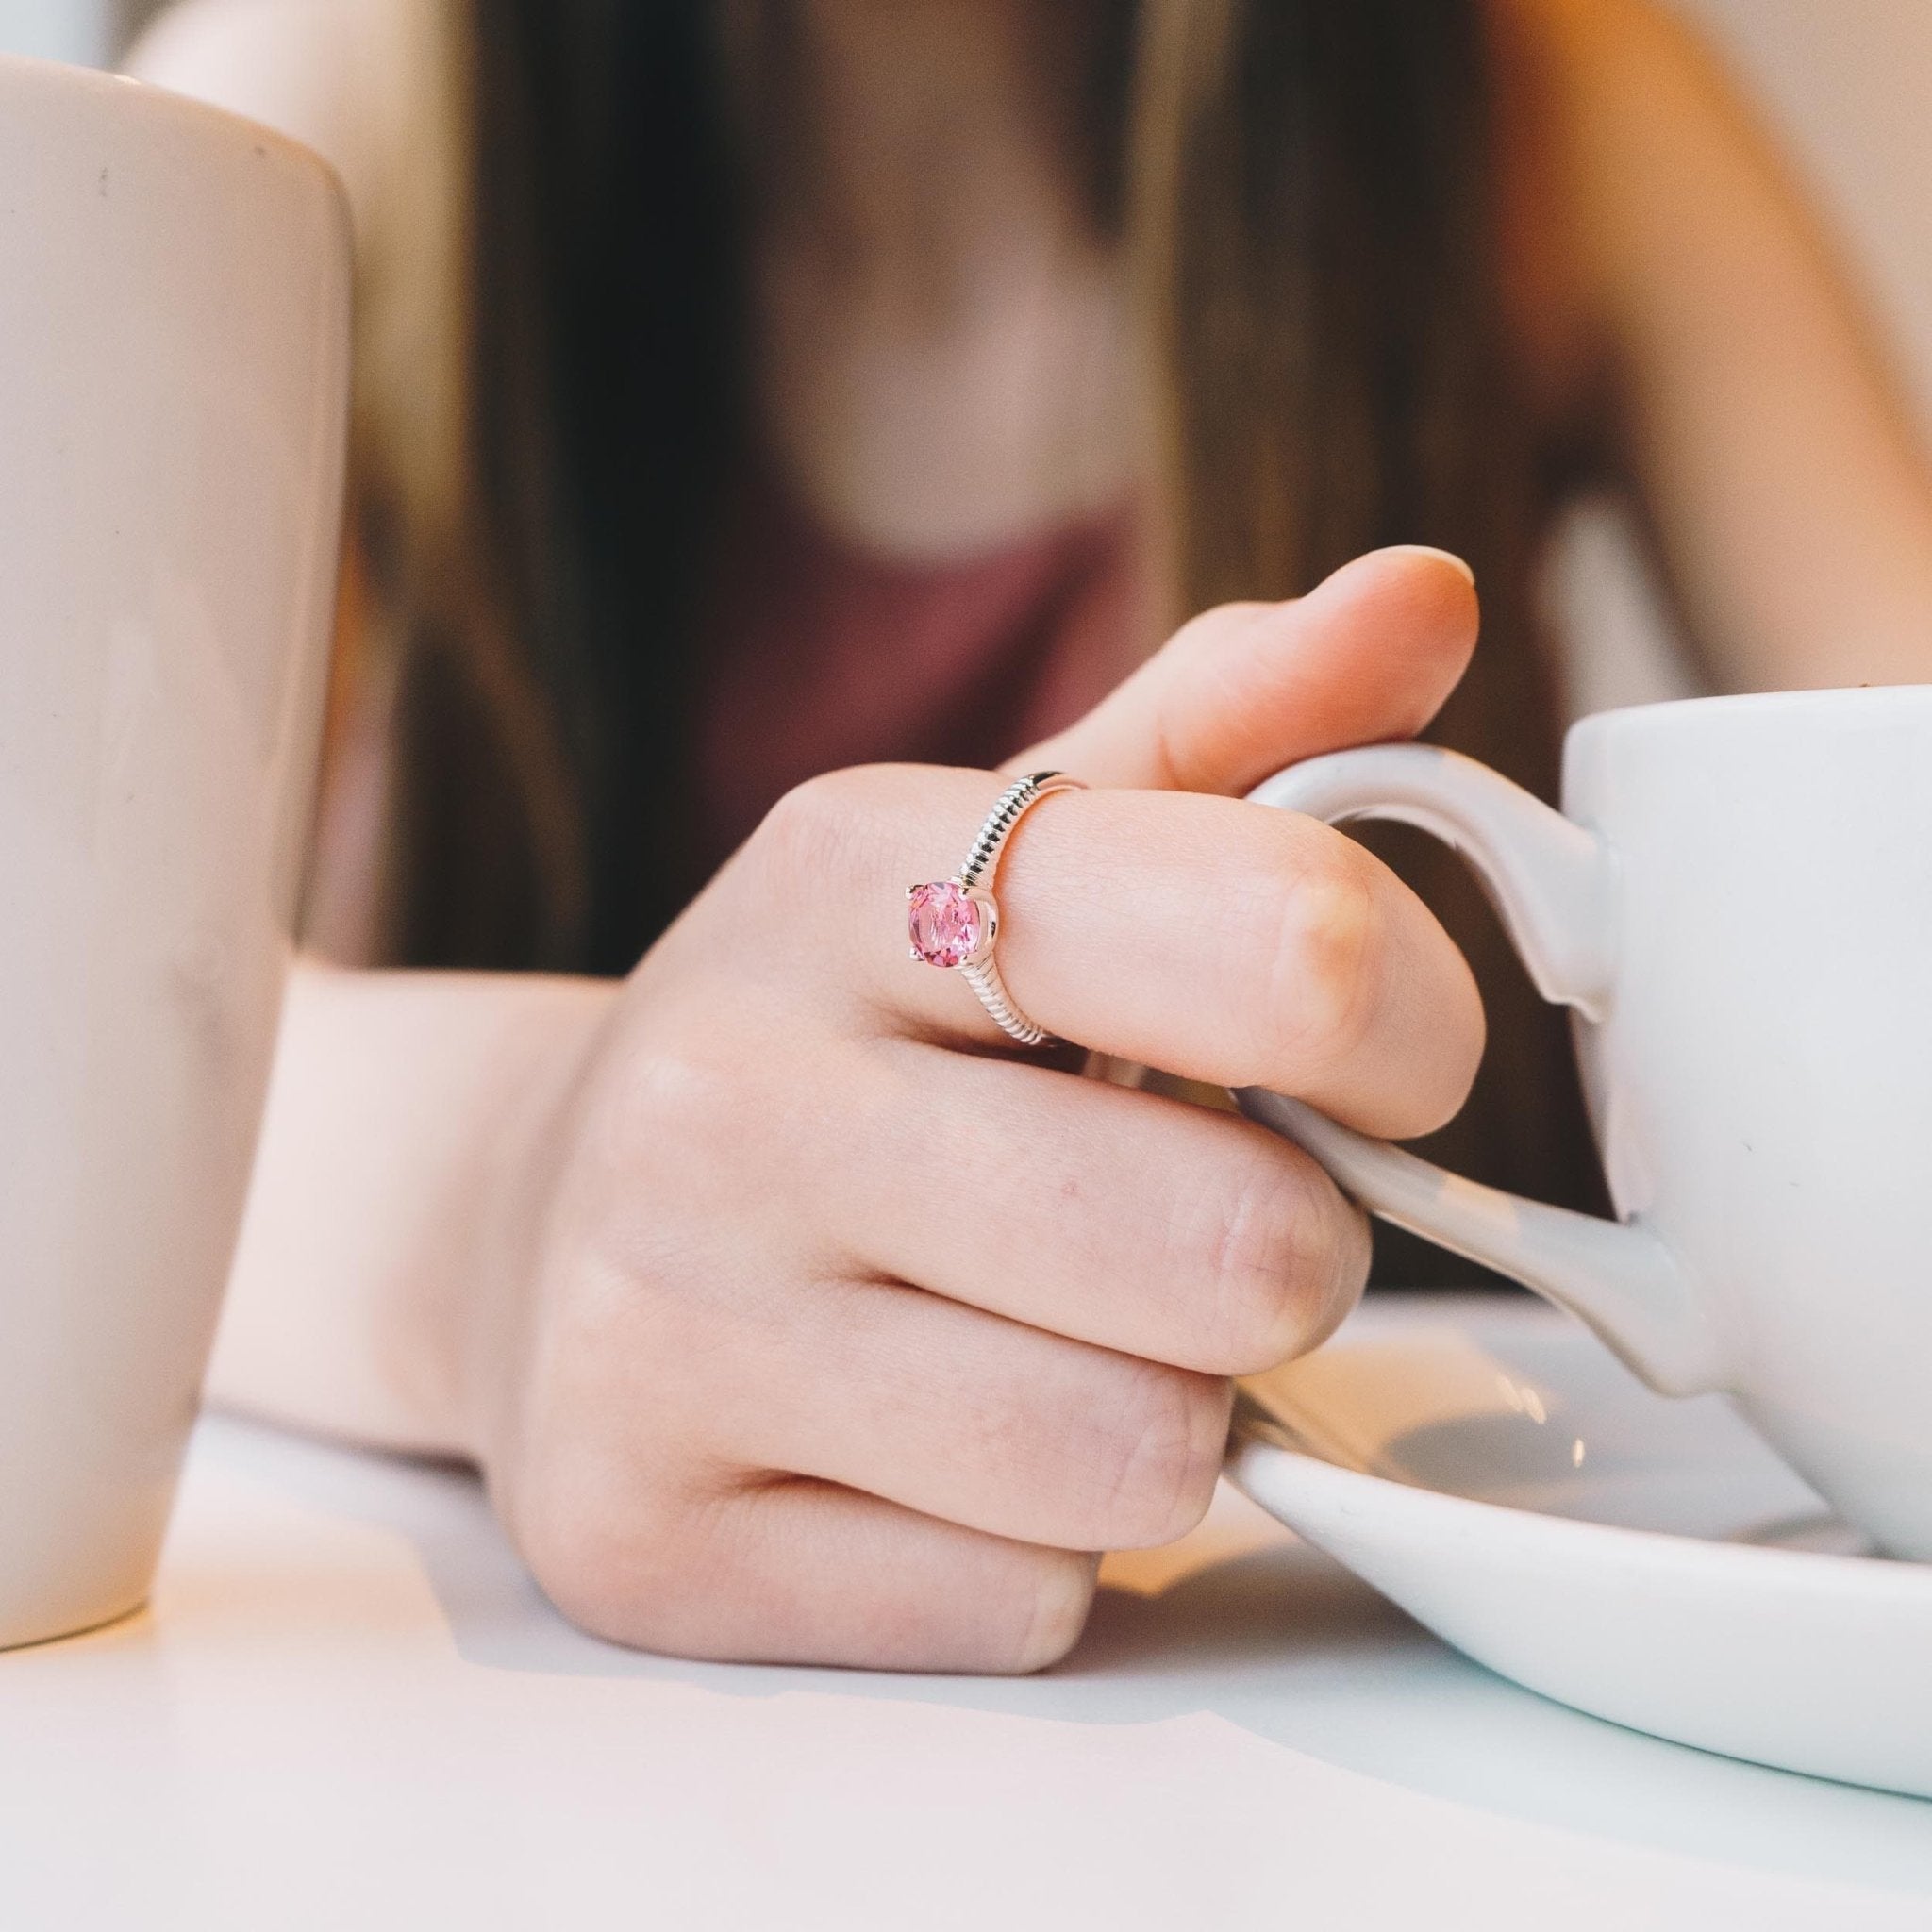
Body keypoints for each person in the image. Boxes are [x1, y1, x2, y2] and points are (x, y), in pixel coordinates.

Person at [129, 0, 1932, 1670]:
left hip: (1383, 1677)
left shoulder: (1544, 88)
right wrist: (500, 1217)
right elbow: (53, 1060)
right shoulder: (318, 109)